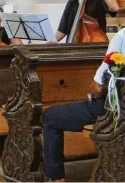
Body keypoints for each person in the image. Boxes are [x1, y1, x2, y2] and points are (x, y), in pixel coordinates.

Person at [43, 28, 125, 181]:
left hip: (110, 109)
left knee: (49, 116)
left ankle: (56, 178)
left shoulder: (120, 38)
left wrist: (92, 92)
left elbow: (98, 88)